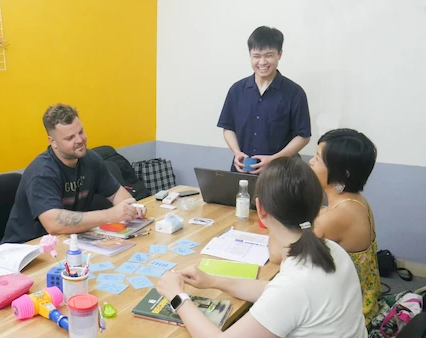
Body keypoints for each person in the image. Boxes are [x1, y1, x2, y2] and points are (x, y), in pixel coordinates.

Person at [157, 158, 367, 338]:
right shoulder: (331, 249)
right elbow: (273, 292)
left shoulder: (296, 284)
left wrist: (178, 297)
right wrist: (213, 281)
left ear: (260, 208)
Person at [2, 103, 145, 244]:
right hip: (28, 249)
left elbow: (116, 194)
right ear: (53, 142)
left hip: (67, 241)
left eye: (81, 132)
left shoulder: (91, 159)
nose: (80, 140)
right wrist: (110, 215)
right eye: (70, 138)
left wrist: (130, 208)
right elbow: (53, 224)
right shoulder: (42, 172)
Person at [309, 128, 380, 325]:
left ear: (343, 173)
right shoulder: (357, 201)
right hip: (365, 302)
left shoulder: (337, 216)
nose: (311, 162)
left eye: (317, 158)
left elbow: (282, 255)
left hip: (346, 317)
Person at [217, 26, 311, 174]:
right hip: (242, 170)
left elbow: (303, 136)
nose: (262, 62)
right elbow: (228, 128)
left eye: (268, 55)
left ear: (280, 54)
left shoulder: (294, 93)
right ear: (250, 55)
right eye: (256, 56)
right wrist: (236, 152)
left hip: (280, 174)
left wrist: (275, 159)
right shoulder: (237, 90)